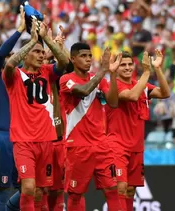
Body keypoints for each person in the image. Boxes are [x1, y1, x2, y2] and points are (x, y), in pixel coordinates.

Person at [2, 18, 69, 210]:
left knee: (41, 191)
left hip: (46, 140)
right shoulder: (14, 76)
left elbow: (64, 62)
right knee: (29, 187)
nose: (41, 56)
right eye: (36, 52)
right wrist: (32, 41)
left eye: (42, 52)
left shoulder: (47, 72)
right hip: (23, 141)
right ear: (25, 55)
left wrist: (45, 39)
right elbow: (9, 65)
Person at [59, 43, 122, 210]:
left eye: (89, 56)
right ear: (73, 59)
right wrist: (103, 70)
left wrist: (112, 74)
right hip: (78, 146)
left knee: (113, 189)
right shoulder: (66, 79)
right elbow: (84, 90)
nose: (88, 60)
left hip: (101, 144)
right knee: (76, 194)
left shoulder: (97, 77)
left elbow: (114, 102)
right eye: (83, 56)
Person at [106, 50, 170, 210]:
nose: (127, 68)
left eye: (129, 64)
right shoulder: (114, 85)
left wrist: (157, 69)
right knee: (119, 187)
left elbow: (165, 93)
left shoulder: (140, 83)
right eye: (123, 65)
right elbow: (133, 96)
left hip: (136, 147)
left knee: (130, 190)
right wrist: (147, 72)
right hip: (117, 145)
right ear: (116, 67)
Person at [0, 6, 26, 211]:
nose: (12, 58)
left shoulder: (17, 78)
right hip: (1, 139)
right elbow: (1, 54)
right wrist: (20, 30)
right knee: (1, 192)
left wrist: (38, 37)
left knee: (28, 188)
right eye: (9, 55)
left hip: (21, 140)